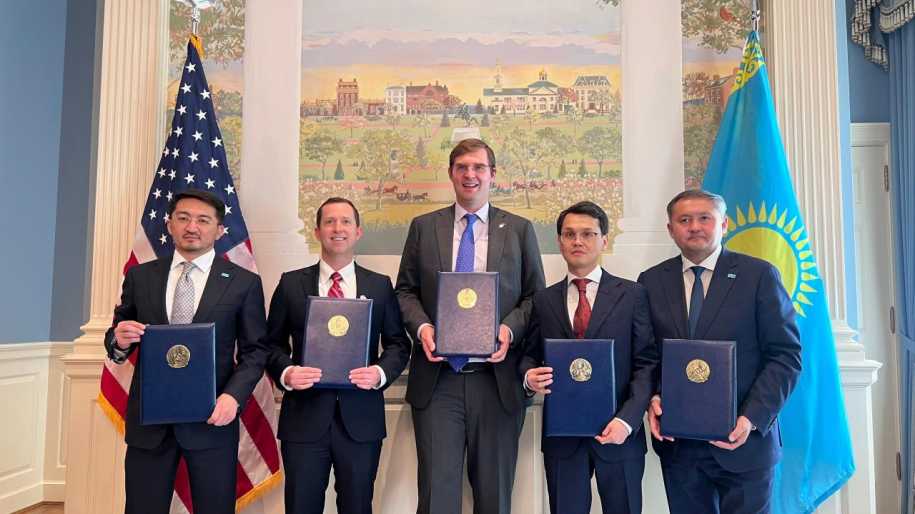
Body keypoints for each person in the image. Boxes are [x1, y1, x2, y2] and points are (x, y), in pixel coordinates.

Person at [395, 138, 546, 514]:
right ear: (451, 174)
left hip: (497, 382)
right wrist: (423, 329)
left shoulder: (520, 229)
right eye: (462, 167)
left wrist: (508, 330)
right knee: (437, 497)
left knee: (494, 497)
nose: (470, 174)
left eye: (479, 167)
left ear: (493, 174)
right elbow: (405, 291)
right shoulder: (423, 227)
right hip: (438, 381)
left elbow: (535, 298)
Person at [637, 189, 802, 514]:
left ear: (723, 224)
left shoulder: (759, 275)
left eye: (704, 218)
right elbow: (646, 354)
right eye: (684, 220)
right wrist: (652, 397)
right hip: (680, 448)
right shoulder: (651, 281)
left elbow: (785, 355)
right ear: (670, 229)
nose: (694, 227)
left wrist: (751, 418)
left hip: (745, 441)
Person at [105, 189, 268, 514]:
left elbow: (255, 352)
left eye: (203, 220)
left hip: (212, 420)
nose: (192, 227)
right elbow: (119, 333)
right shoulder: (140, 276)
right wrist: (119, 341)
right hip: (150, 425)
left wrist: (232, 397)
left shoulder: (243, 282)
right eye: (183, 218)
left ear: (220, 230)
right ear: (169, 224)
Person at [263, 197, 411, 514]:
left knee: (357, 507)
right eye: (329, 221)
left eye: (345, 221)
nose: (337, 228)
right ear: (317, 231)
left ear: (358, 232)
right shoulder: (290, 284)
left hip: (360, 420)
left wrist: (379, 373)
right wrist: (287, 373)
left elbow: (399, 344)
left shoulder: (380, 286)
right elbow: (270, 345)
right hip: (303, 420)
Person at [520, 201, 658, 514]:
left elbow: (646, 363)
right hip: (563, 437)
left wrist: (628, 420)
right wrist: (529, 377)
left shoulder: (632, 295)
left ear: (604, 240)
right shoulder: (543, 300)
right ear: (560, 242)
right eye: (569, 234)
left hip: (619, 432)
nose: (577, 241)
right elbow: (528, 356)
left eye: (587, 234)